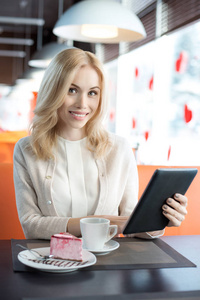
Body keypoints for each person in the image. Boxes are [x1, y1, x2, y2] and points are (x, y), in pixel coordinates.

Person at [13, 48, 188, 240]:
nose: (82, 103)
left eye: (92, 93)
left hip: (107, 264)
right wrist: (99, 221)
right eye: (72, 90)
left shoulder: (119, 149)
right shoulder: (26, 150)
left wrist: (159, 221)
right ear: (53, 90)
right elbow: (31, 224)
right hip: (52, 264)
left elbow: (130, 223)